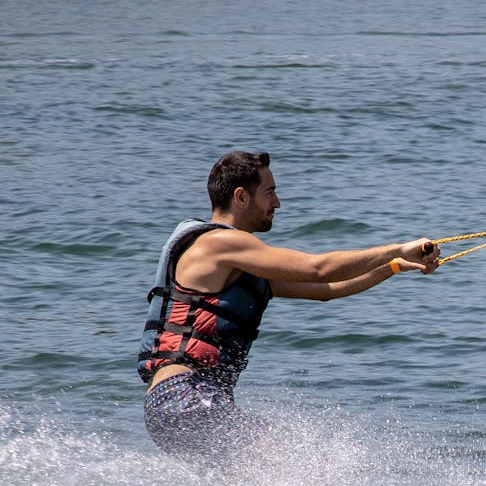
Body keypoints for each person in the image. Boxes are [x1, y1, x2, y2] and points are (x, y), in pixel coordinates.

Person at [138, 150, 440, 456]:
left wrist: (394, 266)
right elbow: (318, 269)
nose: (277, 203)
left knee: (260, 485)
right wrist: (397, 248)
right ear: (241, 197)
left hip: (171, 407)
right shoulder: (219, 243)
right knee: (285, 457)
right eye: (270, 193)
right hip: (184, 397)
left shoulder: (237, 265)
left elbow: (327, 289)